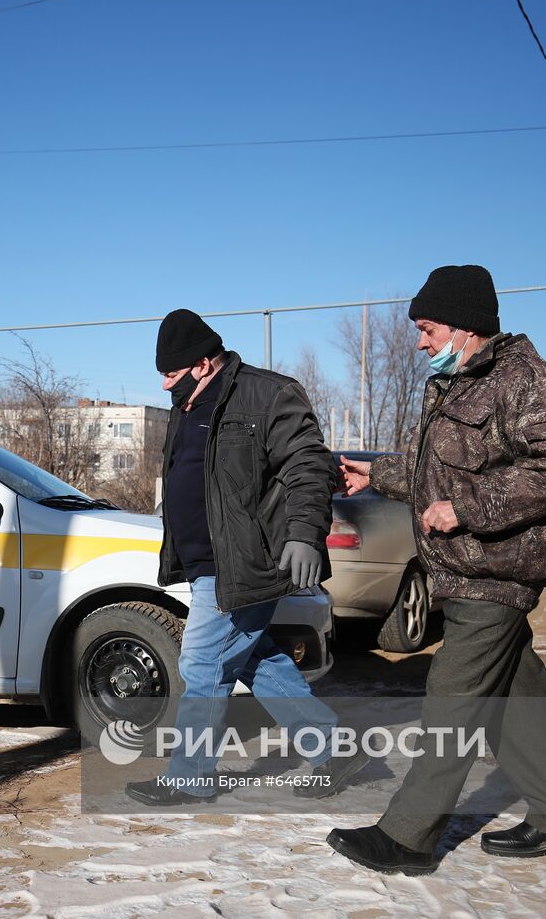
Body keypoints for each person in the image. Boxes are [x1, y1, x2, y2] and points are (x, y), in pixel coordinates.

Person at [328, 264, 546, 874]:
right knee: (513, 699)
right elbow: (442, 471)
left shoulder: (530, 383)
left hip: (497, 569)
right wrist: (381, 475)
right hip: (466, 570)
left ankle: (407, 836)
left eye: (426, 328)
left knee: (452, 698)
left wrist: (468, 509)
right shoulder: (461, 383)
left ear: (465, 328)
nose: (420, 341)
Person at [124, 309, 369, 806]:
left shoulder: (267, 394)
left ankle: (190, 775)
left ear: (204, 363)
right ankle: (334, 747)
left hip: (243, 562)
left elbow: (308, 465)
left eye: (171, 374)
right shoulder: (188, 406)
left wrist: (304, 534)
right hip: (204, 564)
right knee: (256, 659)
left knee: (202, 663)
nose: (165, 386)